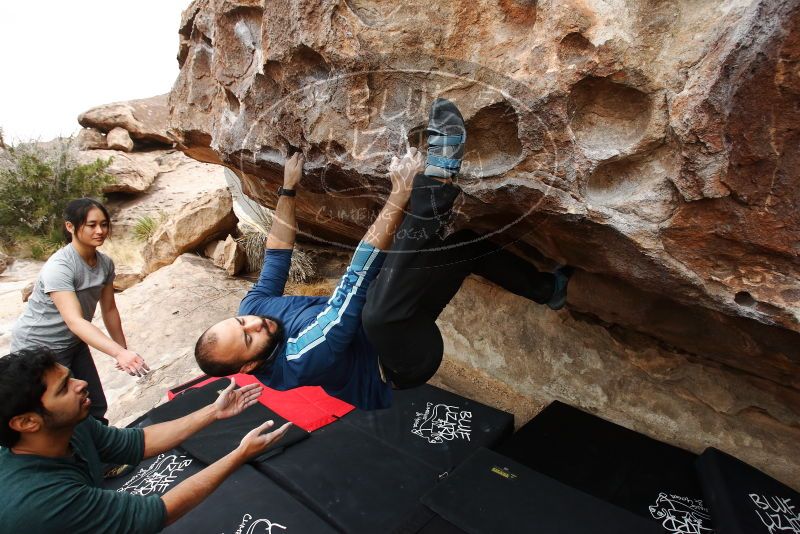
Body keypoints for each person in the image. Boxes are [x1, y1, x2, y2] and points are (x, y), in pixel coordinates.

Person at [194, 99, 570, 409]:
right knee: (375, 308)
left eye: (241, 323)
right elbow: (351, 289)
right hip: (401, 362)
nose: (254, 324)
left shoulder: (253, 310)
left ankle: (548, 290)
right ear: (249, 366)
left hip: (394, 313)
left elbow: (277, 253)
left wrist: (288, 189)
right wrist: (401, 192)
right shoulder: (300, 361)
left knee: (464, 246)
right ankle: (438, 177)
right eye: (248, 338)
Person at [0, 347, 291, 533]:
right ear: (27, 422)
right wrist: (239, 455)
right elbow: (155, 513)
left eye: (71, 376)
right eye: (64, 388)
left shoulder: (69, 426)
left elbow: (135, 443)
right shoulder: (40, 500)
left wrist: (213, 411)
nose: (82, 384)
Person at [10, 198, 149, 424]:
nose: (100, 231)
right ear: (70, 227)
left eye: (104, 224)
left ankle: (106, 455)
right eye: (91, 225)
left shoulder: (105, 264)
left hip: (74, 343)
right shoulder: (60, 267)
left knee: (94, 405)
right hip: (39, 347)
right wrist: (117, 353)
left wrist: (122, 349)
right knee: (63, 414)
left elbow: (110, 310)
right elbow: (74, 320)